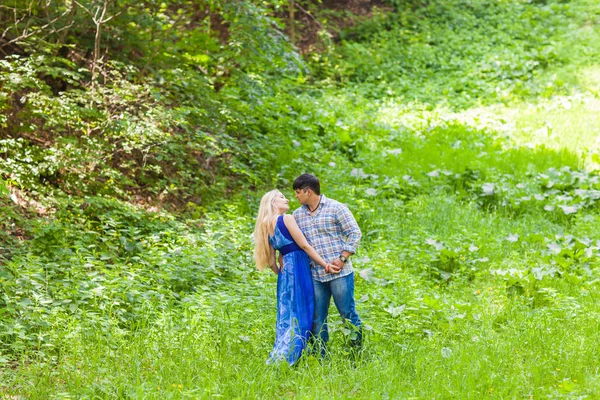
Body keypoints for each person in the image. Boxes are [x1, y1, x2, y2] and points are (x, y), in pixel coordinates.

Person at [253, 189, 335, 365]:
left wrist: (282, 271)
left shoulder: (265, 225)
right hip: (298, 266)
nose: (287, 199)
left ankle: (284, 352)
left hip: (285, 273)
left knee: (287, 313)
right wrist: (324, 264)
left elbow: (271, 260)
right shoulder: (286, 219)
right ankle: (292, 355)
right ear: (273, 202)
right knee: (303, 310)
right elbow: (304, 245)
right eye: (281, 197)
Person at [292, 174, 363, 356]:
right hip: (315, 275)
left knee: (347, 314)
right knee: (317, 319)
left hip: (340, 273)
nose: (296, 196)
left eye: (298, 192)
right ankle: (321, 357)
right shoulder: (297, 215)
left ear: (308, 191)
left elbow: (355, 233)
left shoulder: (336, 208)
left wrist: (342, 258)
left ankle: (356, 354)